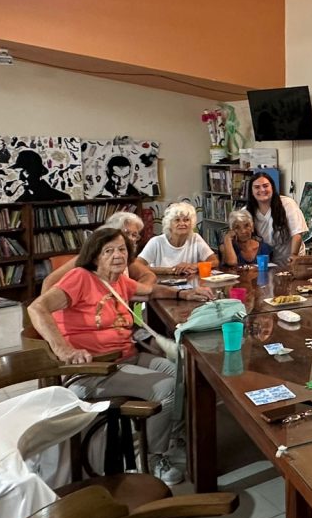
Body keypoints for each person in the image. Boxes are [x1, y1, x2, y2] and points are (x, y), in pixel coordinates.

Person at [27, 228, 214, 485]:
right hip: (95, 369)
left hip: (126, 357)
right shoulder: (80, 277)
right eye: (109, 250)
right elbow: (37, 308)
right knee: (168, 387)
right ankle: (150, 458)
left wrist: (184, 294)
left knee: (184, 369)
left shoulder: (119, 281)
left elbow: (150, 291)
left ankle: (172, 436)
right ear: (95, 256)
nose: (117, 255)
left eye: (122, 249)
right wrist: (64, 350)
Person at [41, 210, 157, 293]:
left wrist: (134, 291)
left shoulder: (124, 258)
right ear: (111, 232)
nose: (131, 238)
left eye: (134, 235)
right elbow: (49, 283)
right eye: (126, 233)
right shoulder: (90, 257)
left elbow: (148, 275)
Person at [245, 171, 308, 267]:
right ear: (251, 191)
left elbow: (297, 233)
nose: (262, 190)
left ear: (272, 187)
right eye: (257, 187)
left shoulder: (287, 204)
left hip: (290, 260)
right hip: (263, 262)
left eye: (266, 186)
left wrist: (294, 256)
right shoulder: (246, 211)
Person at [137, 202, 218, 275]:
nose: (182, 223)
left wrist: (193, 265)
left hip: (189, 285)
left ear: (191, 223)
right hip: (162, 287)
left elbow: (214, 261)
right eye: (177, 220)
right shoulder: (156, 242)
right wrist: (169, 270)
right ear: (169, 224)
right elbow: (137, 266)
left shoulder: (196, 238)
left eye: (186, 220)